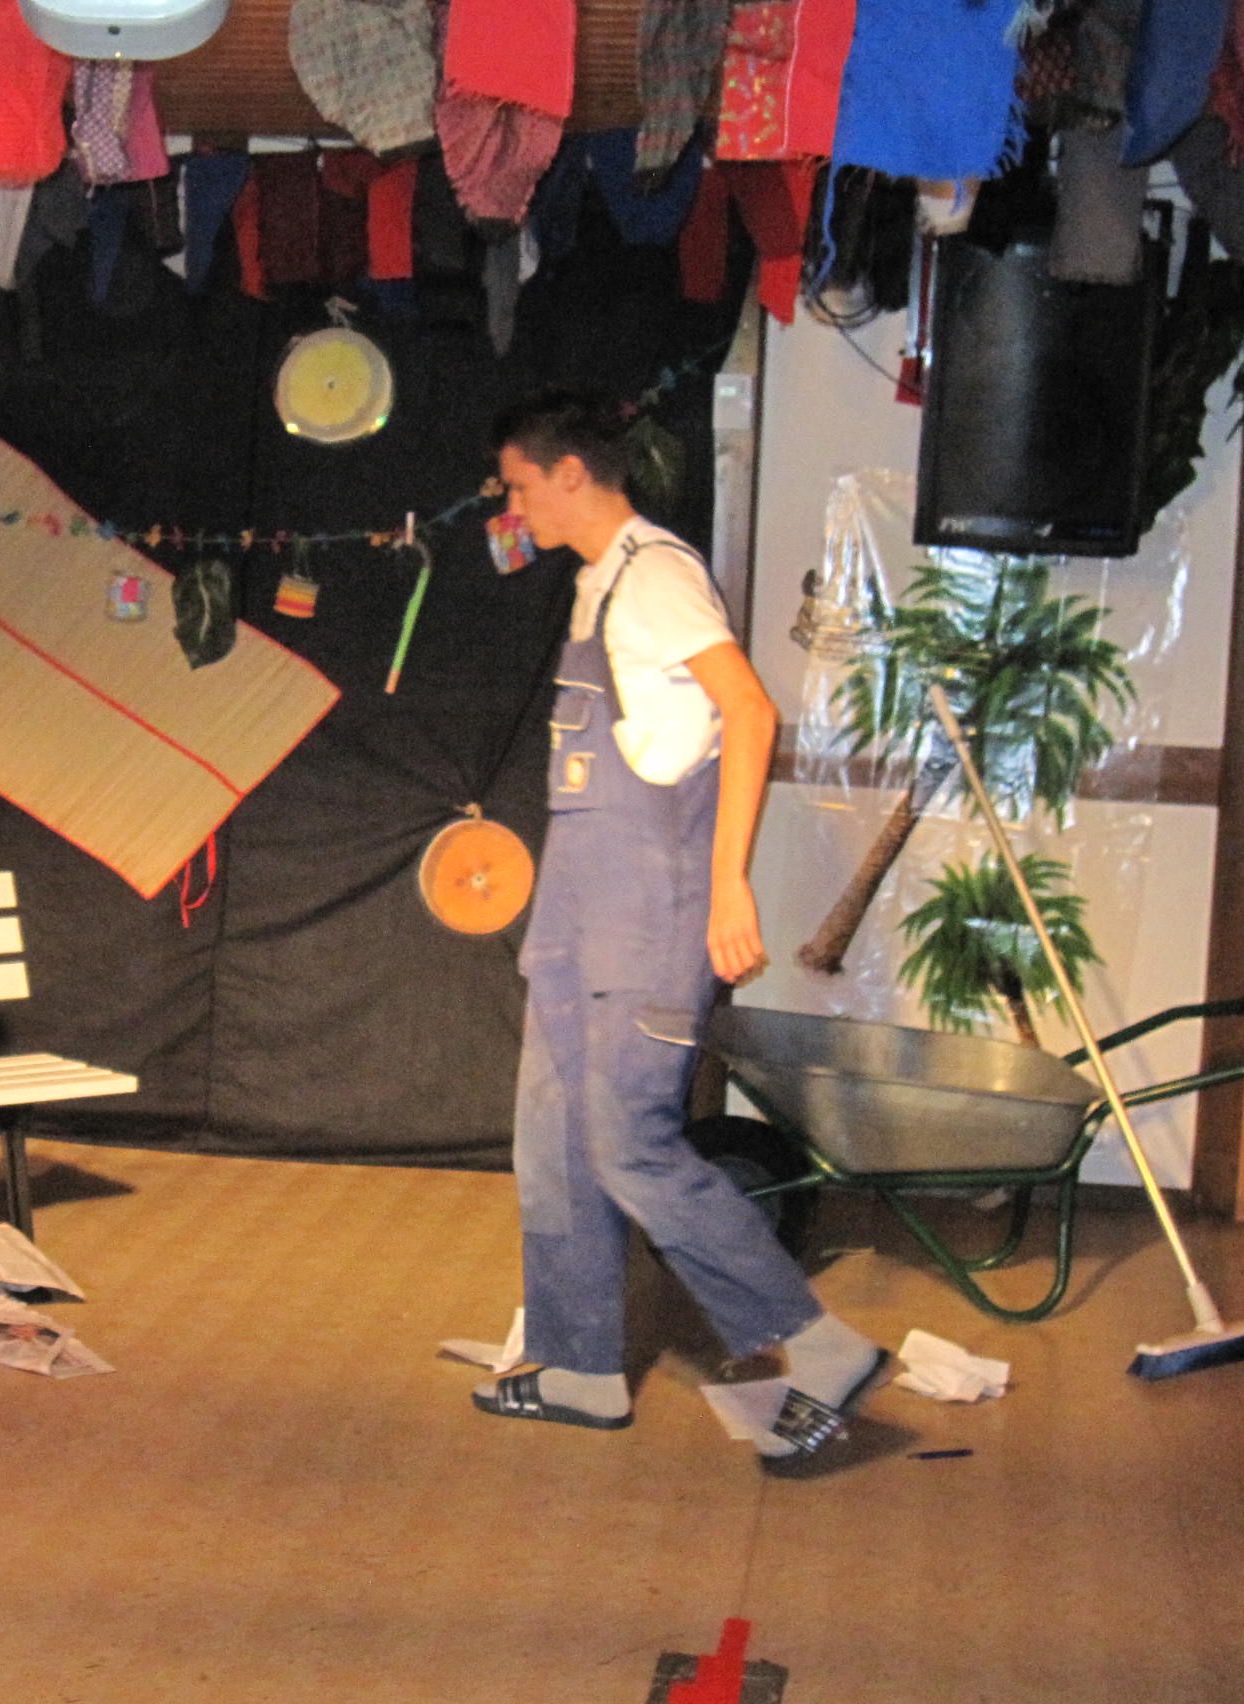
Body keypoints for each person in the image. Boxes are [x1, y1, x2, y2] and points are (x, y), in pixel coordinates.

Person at [473, 392, 885, 1462]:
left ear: (571, 475)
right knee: (553, 1144)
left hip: (649, 920)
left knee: (630, 1145)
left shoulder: (657, 575)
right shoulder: (596, 584)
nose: (512, 507)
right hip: (577, 920)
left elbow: (749, 711)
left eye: (519, 486)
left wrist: (729, 887)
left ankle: (821, 1346)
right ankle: (578, 1364)